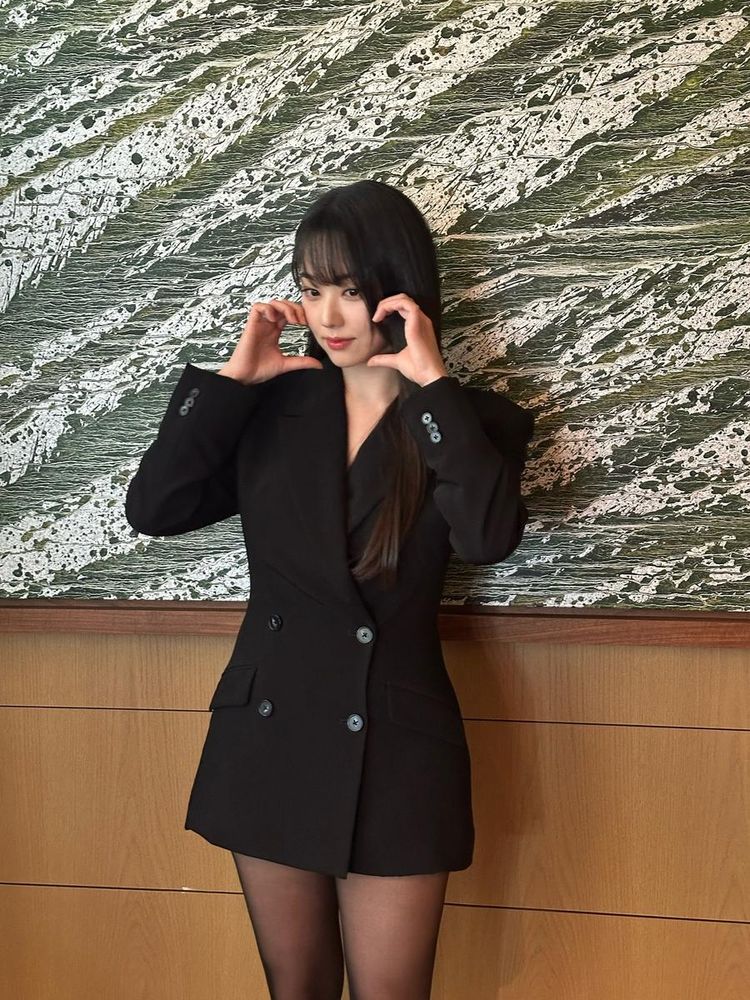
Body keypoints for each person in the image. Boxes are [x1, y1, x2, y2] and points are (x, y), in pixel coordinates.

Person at [125, 178, 535, 999]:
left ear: (400, 290)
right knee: (298, 986)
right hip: (271, 736)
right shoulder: (273, 407)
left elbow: (488, 539)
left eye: (350, 288)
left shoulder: (469, 421)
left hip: (398, 747)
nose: (330, 315)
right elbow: (155, 509)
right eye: (312, 291)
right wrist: (232, 382)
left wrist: (432, 385)